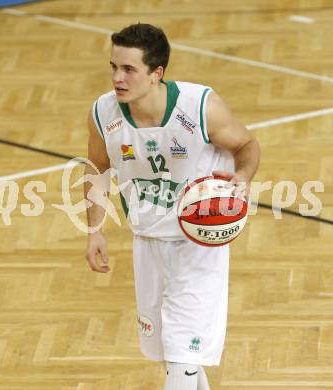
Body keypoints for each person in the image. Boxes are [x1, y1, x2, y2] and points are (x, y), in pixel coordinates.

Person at [84, 23, 260, 390]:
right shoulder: (103, 113)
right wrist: (94, 231)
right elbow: (98, 169)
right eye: (114, 66)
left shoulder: (199, 107)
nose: (118, 77)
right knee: (173, 354)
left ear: (156, 73)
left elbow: (246, 145)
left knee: (183, 353)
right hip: (147, 239)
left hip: (198, 242)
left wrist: (242, 177)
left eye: (129, 69)